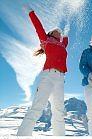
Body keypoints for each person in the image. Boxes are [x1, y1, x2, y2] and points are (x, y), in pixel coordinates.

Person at [17, 5, 68, 136]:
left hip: (61, 79)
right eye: (56, 31)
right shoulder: (45, 40)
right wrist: (31, 12)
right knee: (38, 106)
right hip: (48, 76)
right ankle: (22, 136)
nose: (59, 32)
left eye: (60, 32)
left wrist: (67, 29)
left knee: (59, 110)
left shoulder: (63, 44)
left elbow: (66, 37)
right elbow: (38, 26)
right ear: (51, 33)